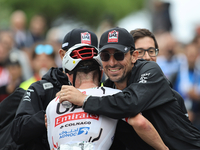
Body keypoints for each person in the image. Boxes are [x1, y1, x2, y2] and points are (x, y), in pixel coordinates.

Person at [58, 27, 200, 149]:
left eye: (119, 55)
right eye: (106, 56)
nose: (112, 63)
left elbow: (131, 103)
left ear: (134, 56)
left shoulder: (150, 70)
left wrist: (84, 99)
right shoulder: (107, 88)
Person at [11, 28, 99, 149]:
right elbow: (17, 130)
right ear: (63, 55)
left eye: (91, 54)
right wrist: (50, 116)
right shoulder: (41, 88)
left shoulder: (103, 88)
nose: (85, 60)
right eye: (79, 53)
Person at [46, 43, 121, 150]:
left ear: (69, 77)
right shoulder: (114, 95)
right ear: (100, 73)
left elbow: (53, 146)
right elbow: (140, 124)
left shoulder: (53, 104)